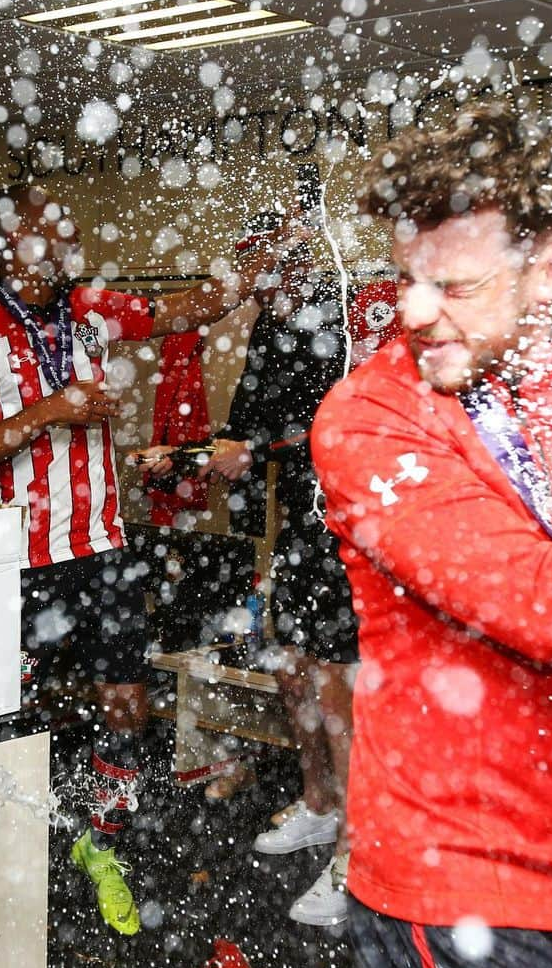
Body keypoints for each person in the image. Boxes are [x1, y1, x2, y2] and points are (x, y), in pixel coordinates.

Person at [311, 101, 552, 968]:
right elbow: (531, 599)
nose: (415, 314)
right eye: (405, 279)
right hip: (456, 885)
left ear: (548, 271)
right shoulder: (369, 417)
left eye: (456, 288)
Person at [0, 183, 307, 936]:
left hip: (100, 546)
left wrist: (258, 266)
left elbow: (182, 311)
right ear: (10, 242)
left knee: (125, 702)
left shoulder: (87, 308)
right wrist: (53, 411)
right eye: (50, 228)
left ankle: (103, 844)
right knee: (10, 711)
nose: (68, 237)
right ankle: (2, 853)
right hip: (15, 559)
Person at [138, 219, 398, 928]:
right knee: (291, 665)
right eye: (254, 271)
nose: (262, 285)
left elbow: (338, 426)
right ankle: (319, 803)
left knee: (338, 686)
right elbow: (248, 436)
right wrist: (188, 457)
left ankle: (357, 856)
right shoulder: (268, 327)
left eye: (273, 268)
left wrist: (254, 451)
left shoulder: (343, 318)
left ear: (301, 260)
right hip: (304, 533)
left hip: (357, 531)